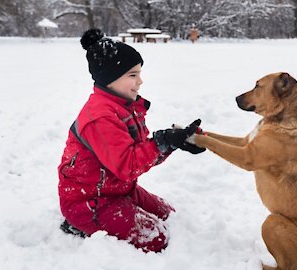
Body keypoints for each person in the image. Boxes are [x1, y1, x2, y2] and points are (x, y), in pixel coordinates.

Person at [58, 28, 205, 253]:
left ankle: (110, 216)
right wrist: (162, 142)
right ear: (111, 79)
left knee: (170, 215)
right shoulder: (100, 117)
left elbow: (140, 152)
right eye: (133, 75)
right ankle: (81, 224)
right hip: (89, 201)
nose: (141, 81)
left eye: (139, 73)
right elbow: (128, 165)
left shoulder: (124, 107)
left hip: (118, 190)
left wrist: (174, 143)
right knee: (157, 238)